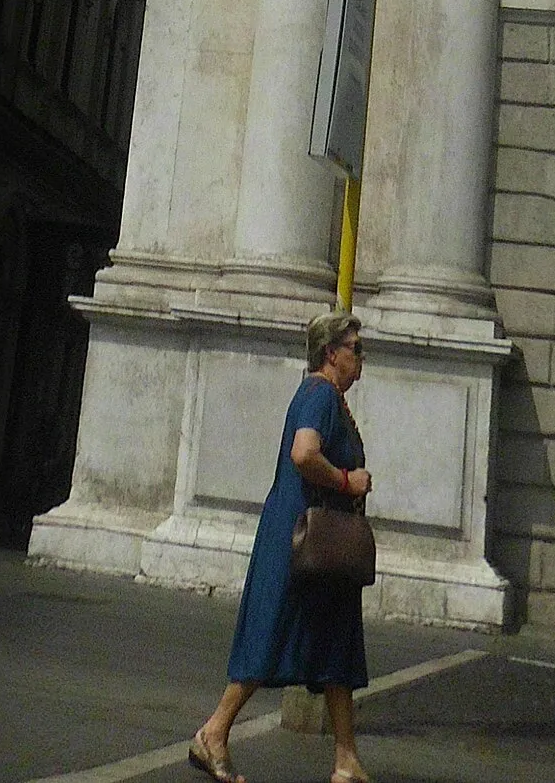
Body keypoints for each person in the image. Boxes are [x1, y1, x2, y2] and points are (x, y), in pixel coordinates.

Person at [192, 310, 374, 783]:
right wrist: (347, 481)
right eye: (356, 349)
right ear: (331, 353)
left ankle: (346, 759)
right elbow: (304, 453)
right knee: (273, 631)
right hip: (301, 539)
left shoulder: (327, 396)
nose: (361, 359)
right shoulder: (318, 394)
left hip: (317, 540)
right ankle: (214, 732)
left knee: (336, 639)